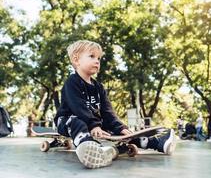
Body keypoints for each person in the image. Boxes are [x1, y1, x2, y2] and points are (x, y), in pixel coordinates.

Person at [54, 40, 176, 169]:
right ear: (76, 60)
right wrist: (93, 125)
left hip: (91, 124)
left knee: (120, 132)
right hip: (67, 121)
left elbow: (107, 112)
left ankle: (157, 143)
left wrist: (120, 128)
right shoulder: (72, 82)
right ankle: (87, 146)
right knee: (77, 121)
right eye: (92, 56)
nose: (97, 61)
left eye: (99, 58)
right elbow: (78, 107)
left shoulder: (99, 87)